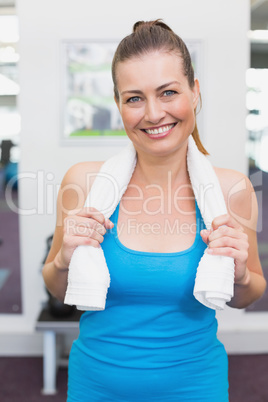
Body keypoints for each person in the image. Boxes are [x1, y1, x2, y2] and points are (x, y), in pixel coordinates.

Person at [42, 20, 267, 401]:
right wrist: (64, 258)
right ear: (118, 105)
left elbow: (250, 294)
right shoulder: (83, 183)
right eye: (134, 98)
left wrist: (241, 273)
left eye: (168, 93)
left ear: (194, 92)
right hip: (95, 386)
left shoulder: (231, 190)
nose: (153, 113)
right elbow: (56, 287)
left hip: (196, 386)